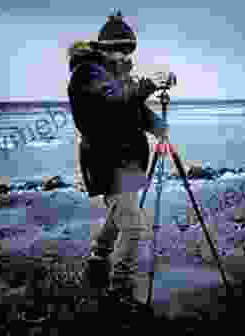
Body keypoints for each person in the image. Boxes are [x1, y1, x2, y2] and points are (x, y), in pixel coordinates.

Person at [67, 11, 171, 311]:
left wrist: (160, 128)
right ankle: (119, 291)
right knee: (134, 227)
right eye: (119, 48)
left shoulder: (116, 75)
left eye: (128, 50)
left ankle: (99, 258)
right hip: (106, 160)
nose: (125, 55)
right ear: (104, 48)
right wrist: (147, 85)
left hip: (127, 159)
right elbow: (115, 100)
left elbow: (132, 108)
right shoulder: (87, 74)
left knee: (119, 214)